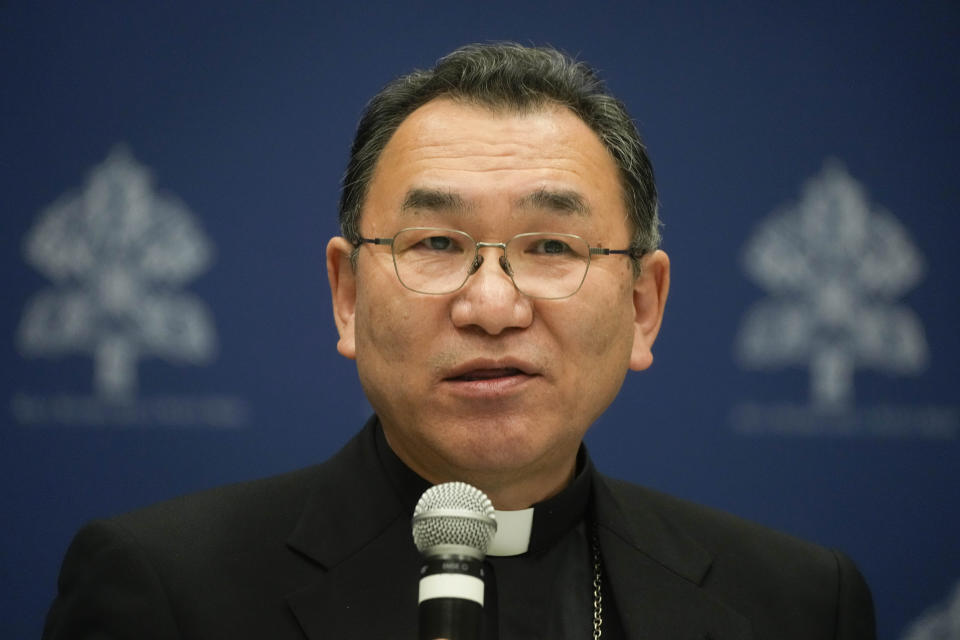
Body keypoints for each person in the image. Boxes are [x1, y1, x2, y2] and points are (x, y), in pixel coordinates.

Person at [43, 43, 876, 639]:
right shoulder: (167, 590)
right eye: (436, 244)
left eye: (551, 248)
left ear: (643, 305)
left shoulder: (796, 603)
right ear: (345, 294)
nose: (490, 305)